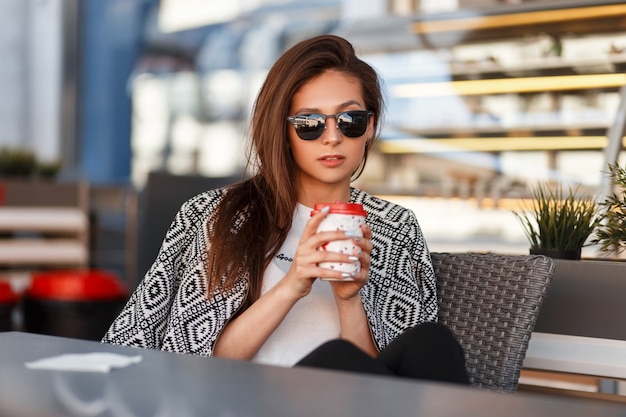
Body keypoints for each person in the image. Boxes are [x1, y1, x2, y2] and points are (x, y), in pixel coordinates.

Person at [102, 35, 469, 385]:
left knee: (431, 342)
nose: (332, 137)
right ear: (285, 132)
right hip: (242, 403)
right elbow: (199, 362)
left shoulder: (394, 227)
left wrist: (348, 298)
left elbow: (384, 376)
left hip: (356, 404)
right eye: (310, 123)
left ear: (370, 127)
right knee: (335, 359)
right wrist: (293, 284)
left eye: (350, 120)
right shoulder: (222, 215)